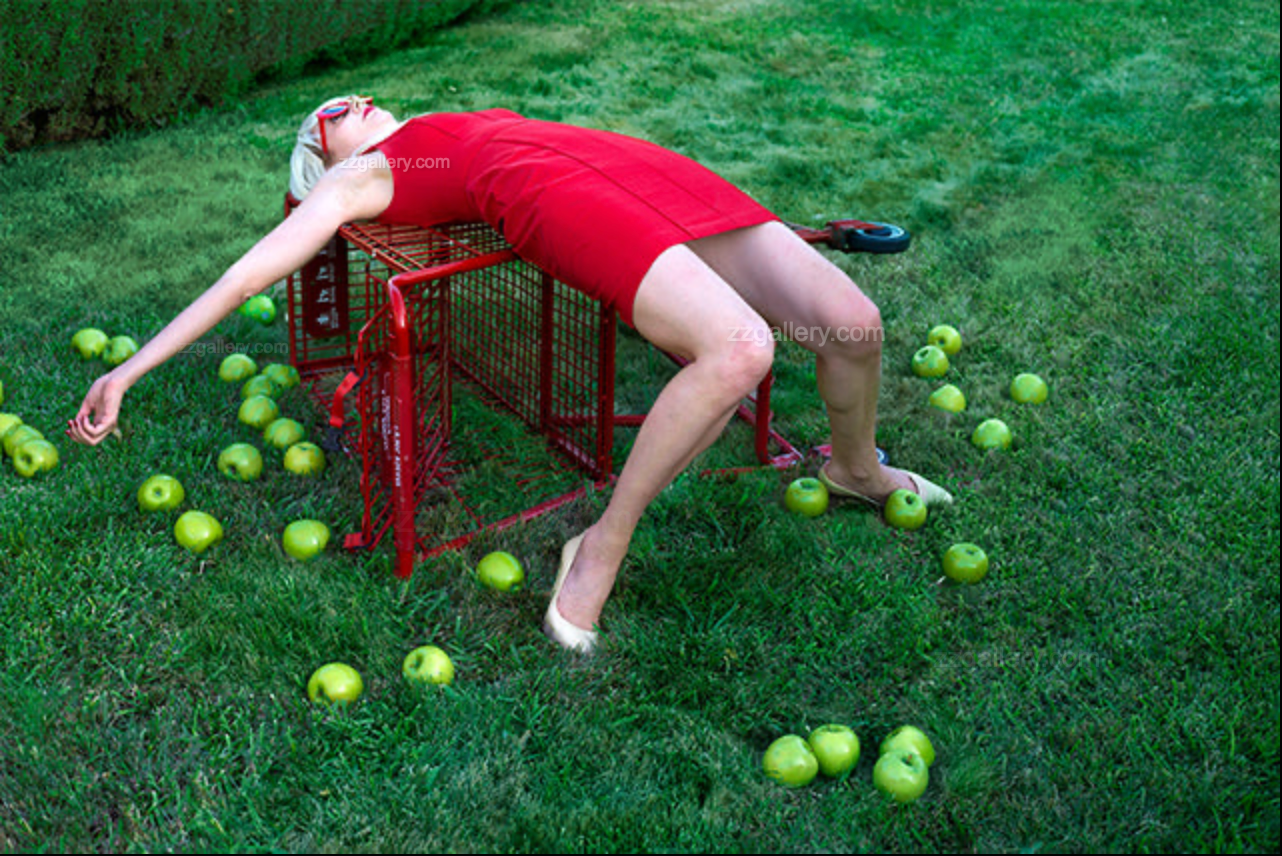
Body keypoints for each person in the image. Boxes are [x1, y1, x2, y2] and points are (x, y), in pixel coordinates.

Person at [69, 95, 952, 653]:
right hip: (554, 199)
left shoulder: (422, 131)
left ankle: (854, 469)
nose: (357, 102)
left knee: (848, 324)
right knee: (741, 348)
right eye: (333, 113)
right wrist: (132, 371)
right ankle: (598, 545)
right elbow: (246, 275)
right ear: (323, 159)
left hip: (632, 165)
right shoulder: (365, 177)